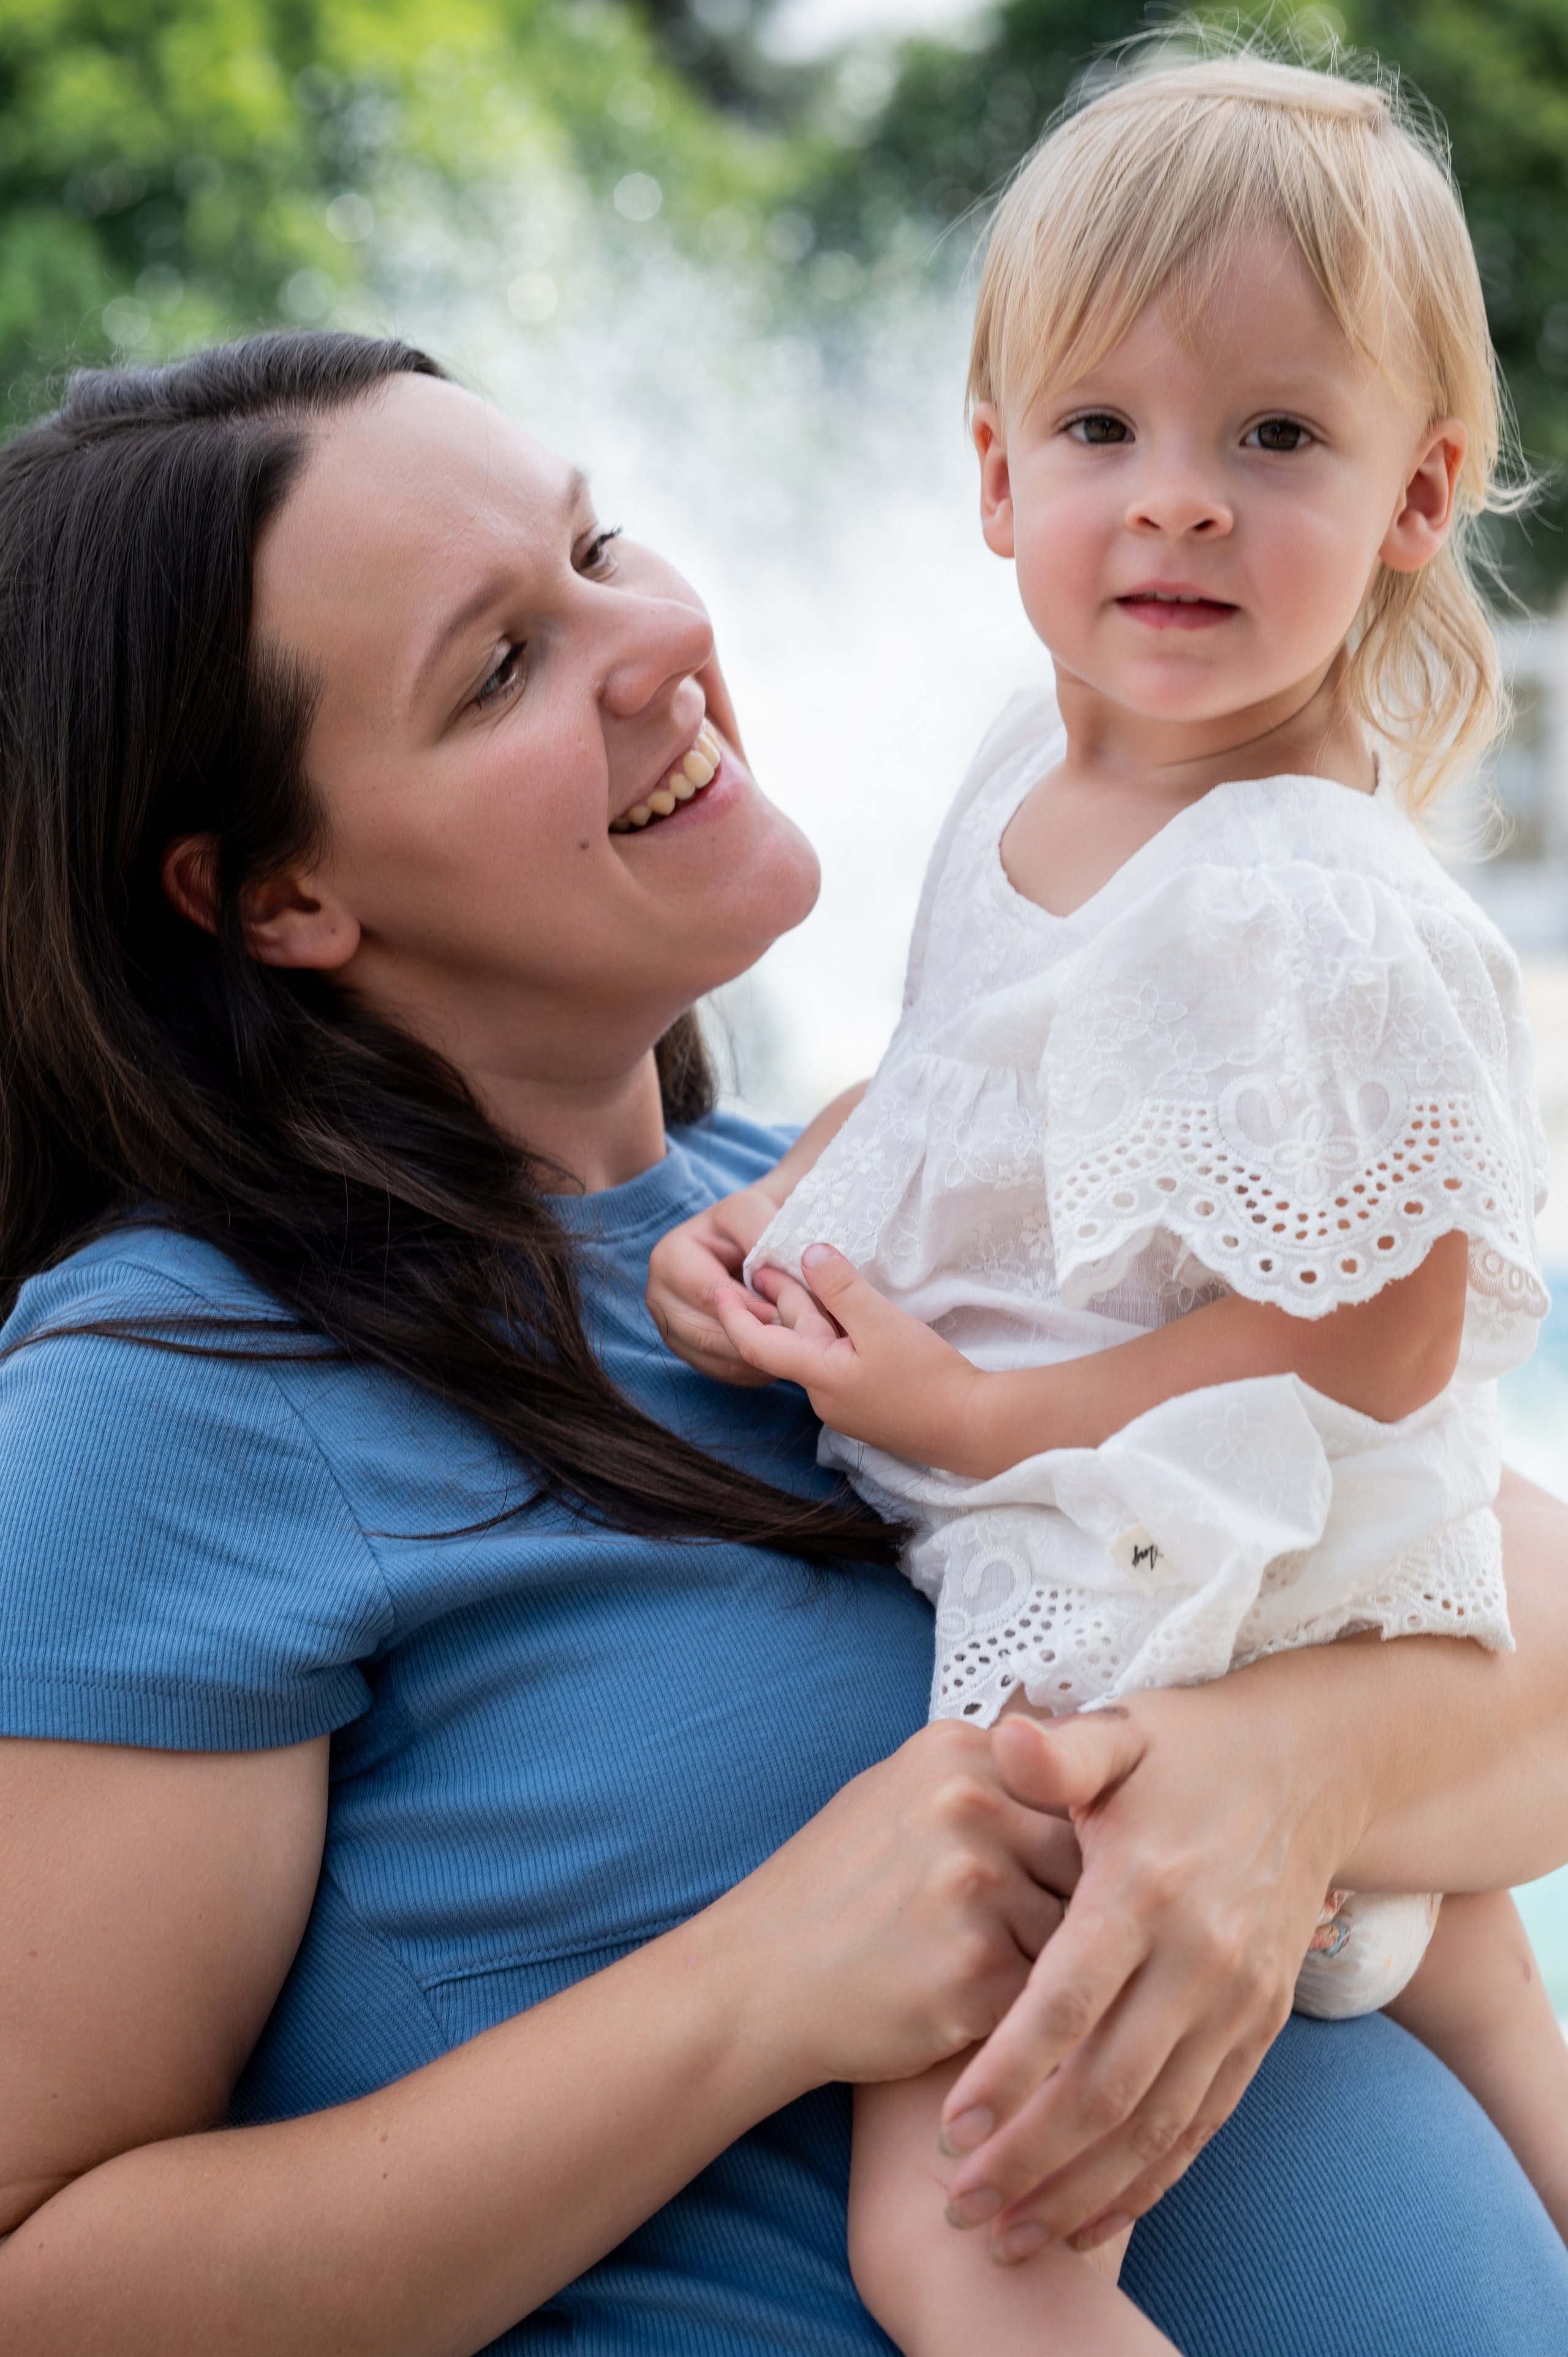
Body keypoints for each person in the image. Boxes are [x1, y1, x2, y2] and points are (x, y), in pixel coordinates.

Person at [0, 333, 1567, 2357]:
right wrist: (758, 1988)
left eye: (598, 550)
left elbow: (1502, 1596)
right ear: (280, 893)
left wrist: (1282, 1778)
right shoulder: (171, 1399)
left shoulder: (863, 1215)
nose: (658, 639)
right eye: (501, 667)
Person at [646, 54, 1568, 2357]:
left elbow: (1381, 1343)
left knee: (965, 2242)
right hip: (1180, 1554)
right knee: (1489, 2020)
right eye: (1099, 428)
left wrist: (972, 1416)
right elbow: (964, 1062)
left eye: (1274, 436)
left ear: (1415, 494)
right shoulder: (1029, 760)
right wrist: (786, 1199)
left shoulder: (1304, 895)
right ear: (994, 473)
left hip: (1162, 1596)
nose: (1175, 501)